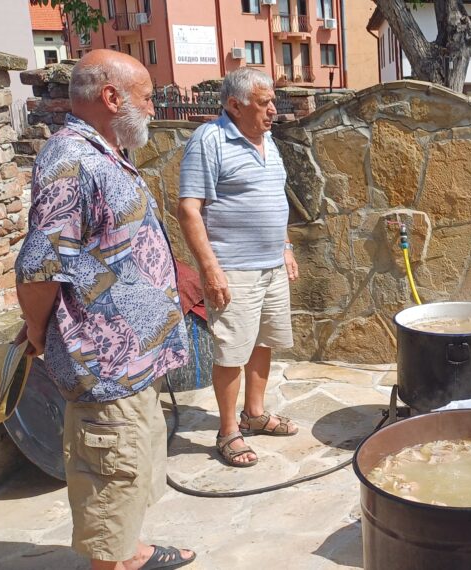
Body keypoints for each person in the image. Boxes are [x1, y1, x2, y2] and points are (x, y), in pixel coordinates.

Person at [14, 49, 196, 569]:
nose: (154, 105)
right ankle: (112, 562)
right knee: (110, 471)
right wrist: (36, 328)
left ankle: (131, 550)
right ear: (112, 97)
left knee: (132, 464)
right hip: (104, 365)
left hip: (134, 360)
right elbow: (42, 267)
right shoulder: (71, 160)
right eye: (146, 95)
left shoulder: (106, 152)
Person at [178, 68, 301, 469]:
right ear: (234, 104)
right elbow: (189, 209)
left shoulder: (268, 141)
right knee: (231, 350)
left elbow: (274, 198)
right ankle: (228, 430)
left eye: (273, 102)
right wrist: (210, 270)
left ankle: (255, 413)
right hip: (234, 269)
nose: (273, 111)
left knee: (262, 341)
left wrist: (285, 247)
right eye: (264, 103)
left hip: (270, 266)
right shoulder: (209, 140)